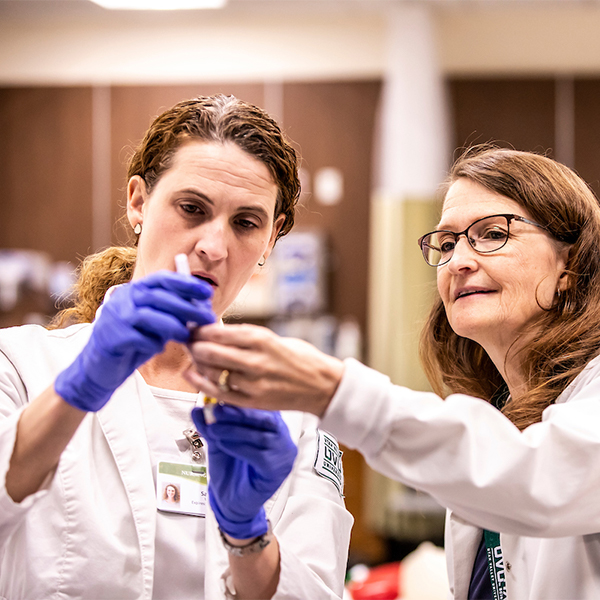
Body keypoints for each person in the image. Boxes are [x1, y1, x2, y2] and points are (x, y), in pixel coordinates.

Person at [184, 146, 600, 599]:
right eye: (447, 242)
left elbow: (539, 480)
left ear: (569, 263)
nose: (458, 260)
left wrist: (333, 391)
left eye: (492, 234)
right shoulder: (499, 413)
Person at [0, 94, 352, 600]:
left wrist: (246, 532)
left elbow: (317, 592)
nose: (213, 246)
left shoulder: (296, 418)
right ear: (138, 200)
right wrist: (77, 390)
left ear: (271, 239)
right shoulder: (20, 365)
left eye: (246, 222)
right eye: (192, 208)